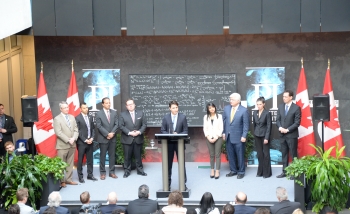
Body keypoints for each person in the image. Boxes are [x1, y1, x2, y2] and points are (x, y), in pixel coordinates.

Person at [160, 100, 188, 190]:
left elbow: (185, 131)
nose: (175, 109)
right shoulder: (166, 118)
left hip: (179, 143)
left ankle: (183, 184)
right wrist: (169, 134)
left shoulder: (183, 117)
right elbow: (162, 130)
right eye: (173, 108)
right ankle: (167, 184)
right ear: (169, 108)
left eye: (176, 107)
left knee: (181, 164)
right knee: (168, 165)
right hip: (168, 144)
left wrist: (178, 134)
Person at [222, 93, 249, 179]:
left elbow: (246, 125)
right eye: (230, 99)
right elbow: (224, 121)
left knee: (240, 155)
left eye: (232, 99)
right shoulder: (226, 109)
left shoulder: (243, 110)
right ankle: (233, 170)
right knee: (230, 154)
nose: (231, 101)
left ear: (238, 100)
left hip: (239, 136)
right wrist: (223, 132)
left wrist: (244, 135)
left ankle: (241, 171)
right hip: (228, 136)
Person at [276, 90, 301, 178]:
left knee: (293, 154)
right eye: (283, 96)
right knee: (284, 154)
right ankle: (285, 172)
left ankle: (295, 173)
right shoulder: (281, 106)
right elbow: (278, 120)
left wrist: (287, 130)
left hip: (291, 135)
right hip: (282, 135)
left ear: (291, 97)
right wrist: (280, 127)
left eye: (286, 97)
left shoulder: (296, 108)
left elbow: (297, 122)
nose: (284, 98)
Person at [119, 99, 147, 178]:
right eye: (128, 105)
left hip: (138, 137)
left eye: (131, 104)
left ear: (134, 105)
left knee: (138, 156)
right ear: (126, 106)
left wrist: (139, 132)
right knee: (127, 157)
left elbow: (144, 124)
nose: (130, 106)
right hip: (127, 138)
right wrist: (130, 133)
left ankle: (140, 170)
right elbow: (121, 126)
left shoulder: (141, 113)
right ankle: (127, 171)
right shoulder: (122, 114)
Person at [53, 101, 79, 187]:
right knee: (61, 164)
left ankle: (69, 179)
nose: (67, 109)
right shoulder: (57, 119)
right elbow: (58, 132)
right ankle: (62, 181)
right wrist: (68, 140)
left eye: (67, 107)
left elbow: (76, 129)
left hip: (72, 144)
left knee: (70, 163)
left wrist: (74, 138)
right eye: (65, 108)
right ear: (61, 109)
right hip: (62, 145)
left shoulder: (72, 117)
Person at [95, 97, 119, 180]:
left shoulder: (114, 113)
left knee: (112, 156)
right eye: (106, 103)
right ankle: (102, 173)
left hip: (112, 138)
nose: (108, 104)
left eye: (109, 103)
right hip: (103, 138)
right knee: (102, 156)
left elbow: (117, 124)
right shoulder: (98, 114)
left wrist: (112, 133)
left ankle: (112, 172)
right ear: (102, 104)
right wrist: (107, 134)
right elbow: (99, 126)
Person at [75, 102, 98, 183]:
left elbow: (93, 129)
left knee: (90, 160)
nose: (86, 109)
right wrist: (85, 140)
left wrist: (92, 138)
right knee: (80, 160)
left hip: (90, 141)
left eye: (87, 107)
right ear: (80, 109)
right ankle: (80, 176)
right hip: (82, 142)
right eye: (84, 108)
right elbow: (78, 131)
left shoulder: (90, 117)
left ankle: (90, 175)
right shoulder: (77, 118)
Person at [252, 97, 272, 178]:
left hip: (264, 136)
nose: (258, 106)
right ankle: (260, 172)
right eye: (257, 104)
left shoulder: (267, 113)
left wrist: (266, 138)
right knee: (259, 154)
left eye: (260, 104)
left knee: (266, 154)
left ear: (264, 104)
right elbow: (254, 125)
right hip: (257, 135)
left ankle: (267, 173)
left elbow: (269, 126)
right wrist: (255, 133)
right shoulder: (254, 113)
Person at [203, 103, 223, 179]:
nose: (212, 109)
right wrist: (208, 137)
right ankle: (212, 170)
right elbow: (205, 128)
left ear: (215, 108)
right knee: (211, 155)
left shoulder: (219, 116)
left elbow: (221, 128)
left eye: (213, 107)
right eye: (210, 108)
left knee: (217, 154)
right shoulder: (205, 117)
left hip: (218, 137)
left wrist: (216, 137)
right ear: (208, 109)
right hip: (208, 138)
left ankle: (217, 170)